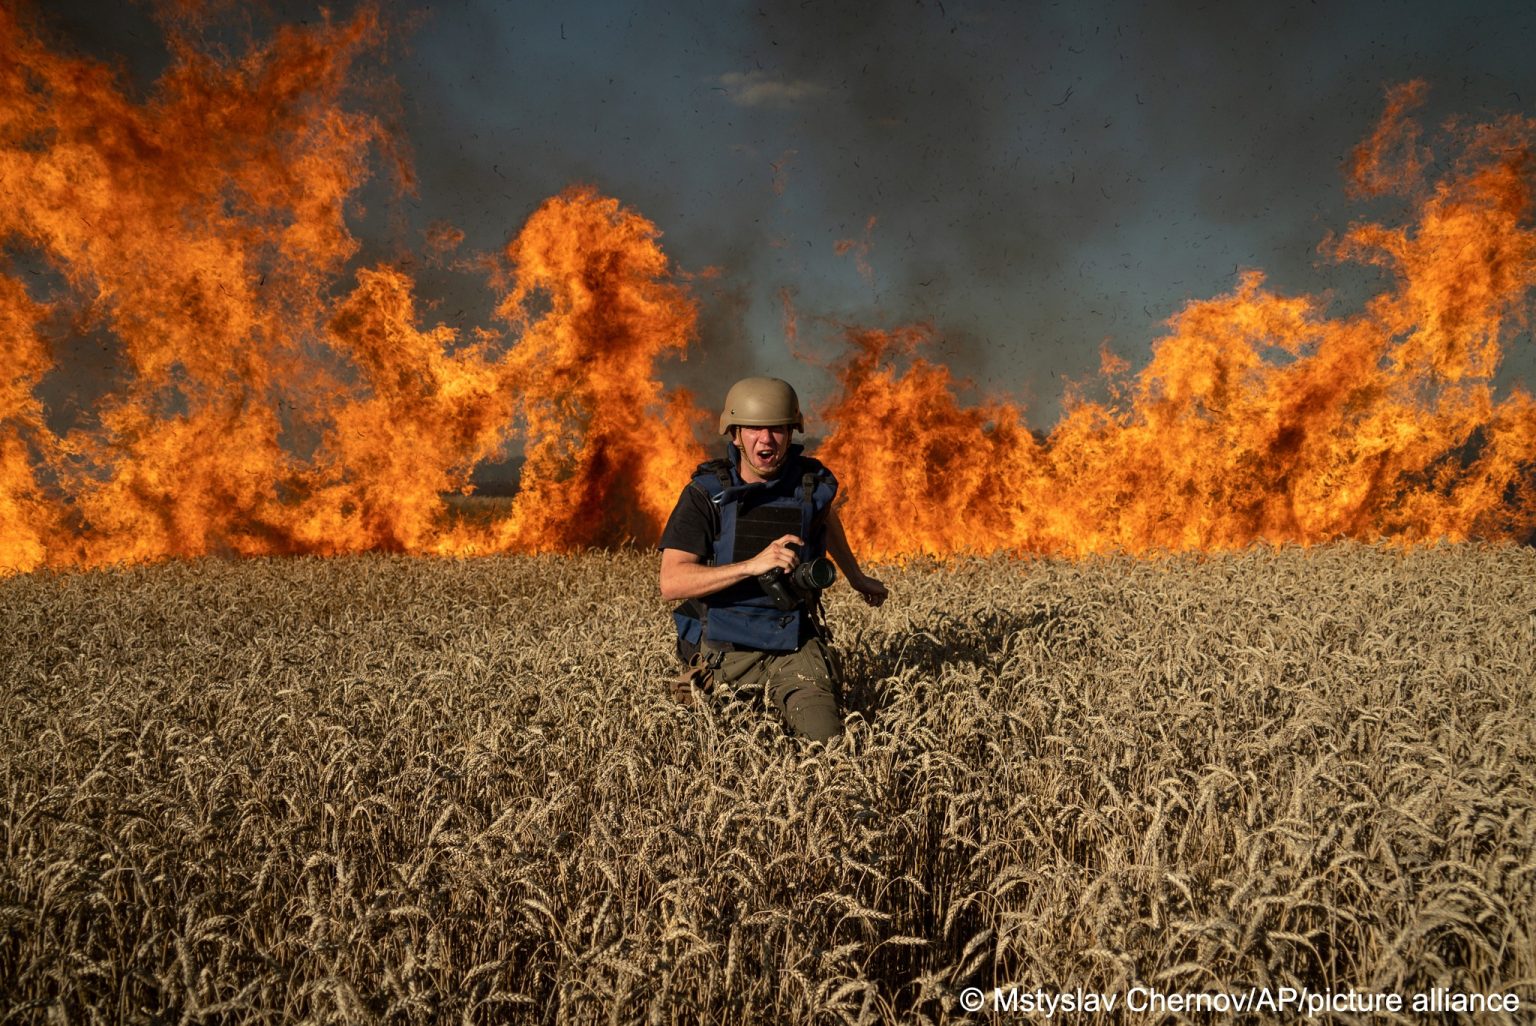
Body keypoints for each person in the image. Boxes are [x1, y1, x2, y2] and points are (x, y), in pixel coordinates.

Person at [658, 376, 888, 741]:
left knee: (827, 749)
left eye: (777, 429)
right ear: (735, 435)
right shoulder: (706, 495)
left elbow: (826, 518)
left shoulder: (810, 485)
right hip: (726, 655)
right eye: (753, 429)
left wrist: (856, 577)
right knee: (707, 755)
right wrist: (752, 565)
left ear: (791, 432)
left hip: (795, 648)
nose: (766, 439)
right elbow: (672, 582)